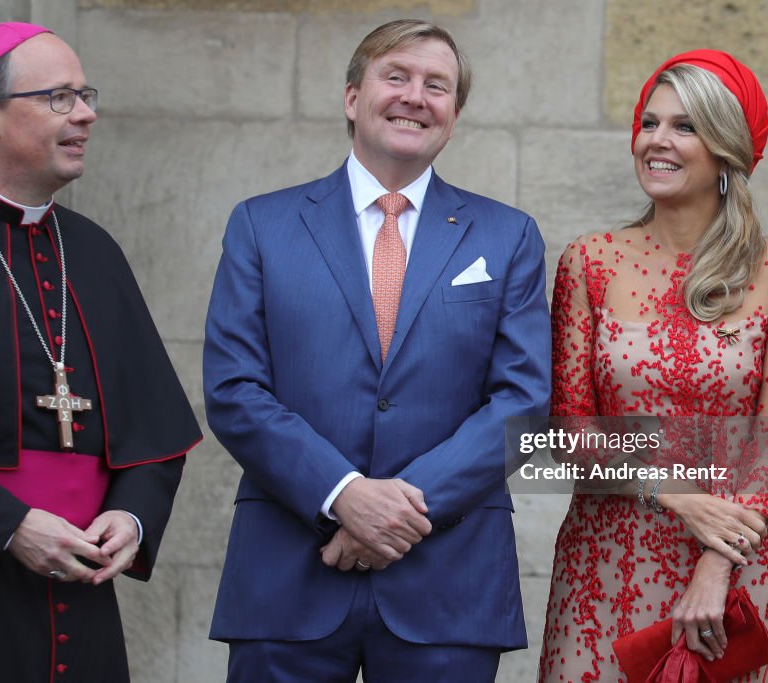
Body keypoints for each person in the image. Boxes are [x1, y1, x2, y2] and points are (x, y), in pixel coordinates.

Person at [204, 19, 551, 683]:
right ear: (352, 98)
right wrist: (342, 494)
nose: (416, 96)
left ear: (454, 113)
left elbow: (524, 404)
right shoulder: (262, 225)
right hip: (289, 572)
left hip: (448, 582)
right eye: (397, 76)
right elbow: (234, 389)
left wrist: (395, 507)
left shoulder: (507, 237)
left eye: (437, 85)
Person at [0, 22, 201, 682]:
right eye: (59, 97)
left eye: (85, 94)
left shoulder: (96, 252)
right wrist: (8, 524)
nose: (86, 112)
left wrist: (132, 517)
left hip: (83, 600)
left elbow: (154, 434)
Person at [538, 50, 768, 682]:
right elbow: (566, 432)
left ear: (727, 148)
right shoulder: (590, 262)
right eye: (649, 123)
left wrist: (716, 568)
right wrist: (677, 495)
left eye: (684, 127)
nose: (656, 141)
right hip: (606, 563)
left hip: (735, 571)